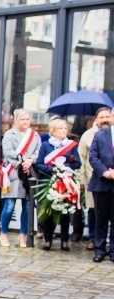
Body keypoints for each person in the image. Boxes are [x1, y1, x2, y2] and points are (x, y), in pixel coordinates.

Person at [36, 118, 81, 252]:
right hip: (48, 182)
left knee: (65, 213)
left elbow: (78, 163)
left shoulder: (71, 146)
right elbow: (39, 164)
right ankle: (48, 240)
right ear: (53, 131)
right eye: (61, 129)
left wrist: (66, 166)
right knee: (49, 213)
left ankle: (64, 241)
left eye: (65, 129)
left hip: (65, 182)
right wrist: (53, 170)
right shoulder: (45, 145)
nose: (64, 131)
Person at [0, 109, 39, 248]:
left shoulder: (34, 135)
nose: (25, 122)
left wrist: (30, 161)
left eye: (27, 119)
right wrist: (22, 163)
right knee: (9, 206)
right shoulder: (9, 135)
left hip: (29, 174)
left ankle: (23, 234)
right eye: (22, 119)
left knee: (27, 207)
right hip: (14, 174)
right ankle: (3, 233)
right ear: (16, 120)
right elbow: (8, 152)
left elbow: (37, 151)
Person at [78, 107, 111, 250]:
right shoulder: (88, 135)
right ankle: (93, 238)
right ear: (96, 119)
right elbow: (83, 159)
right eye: (101, 117)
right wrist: (81, 180)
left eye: (107, 117)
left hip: (111, 180)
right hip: (93, 179)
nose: (104, 120)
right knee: (93, 211)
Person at [86, 122, 114, 262]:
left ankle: (113, 251)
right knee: (100, 219)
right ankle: (99, 249)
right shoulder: (100, 135)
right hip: (101, 183)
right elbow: (93, 157)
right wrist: (104, 172)